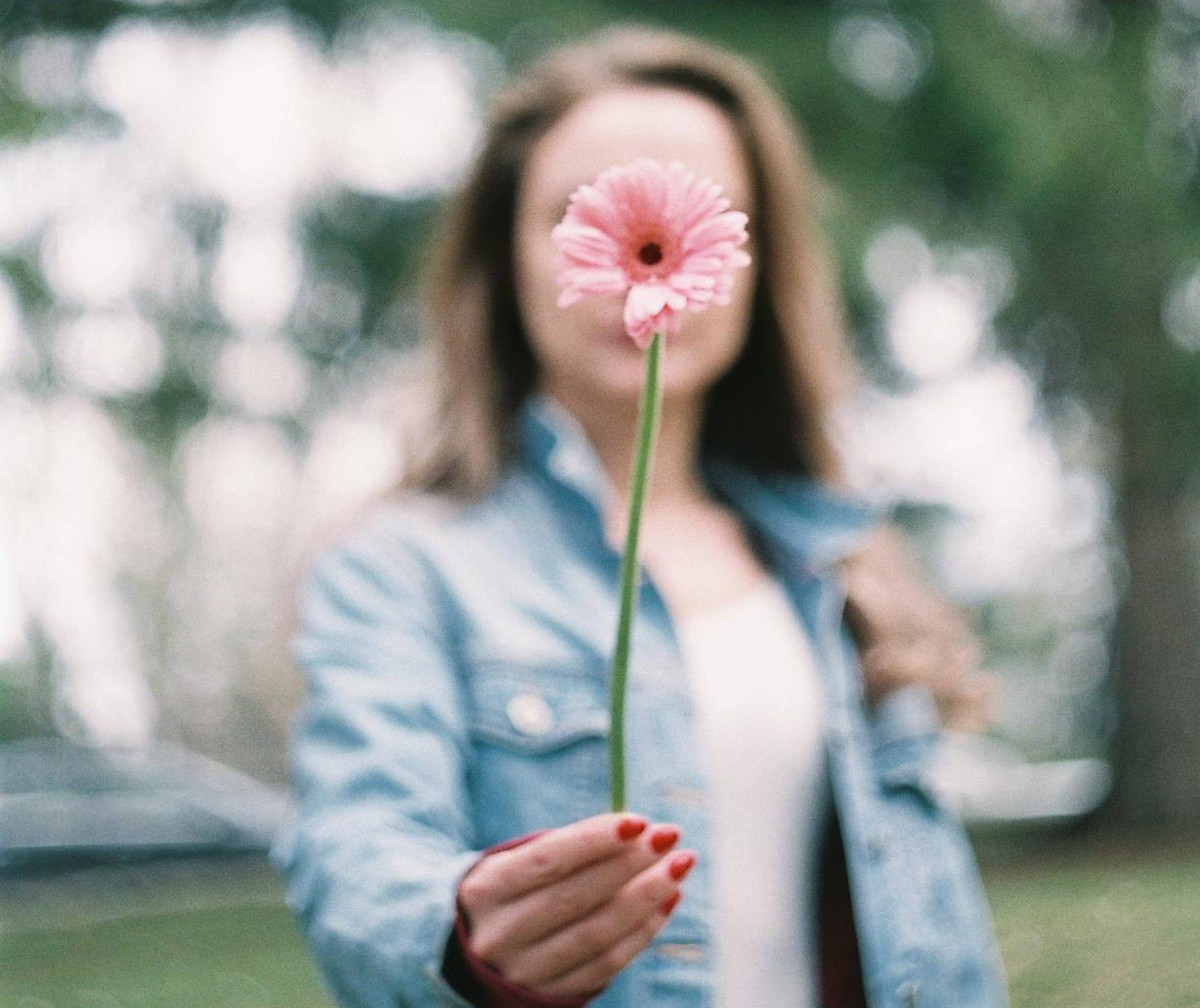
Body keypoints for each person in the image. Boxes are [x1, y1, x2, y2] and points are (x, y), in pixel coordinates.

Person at [269, 23, 1008, 1008]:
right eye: (580, 209)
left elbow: (941, 940)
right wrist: (463, 931)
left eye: (705, 208)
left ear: (756, 259)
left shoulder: (841, 561)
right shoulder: (400, 568)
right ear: (507, 262)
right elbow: (353, 863)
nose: (633, 259)